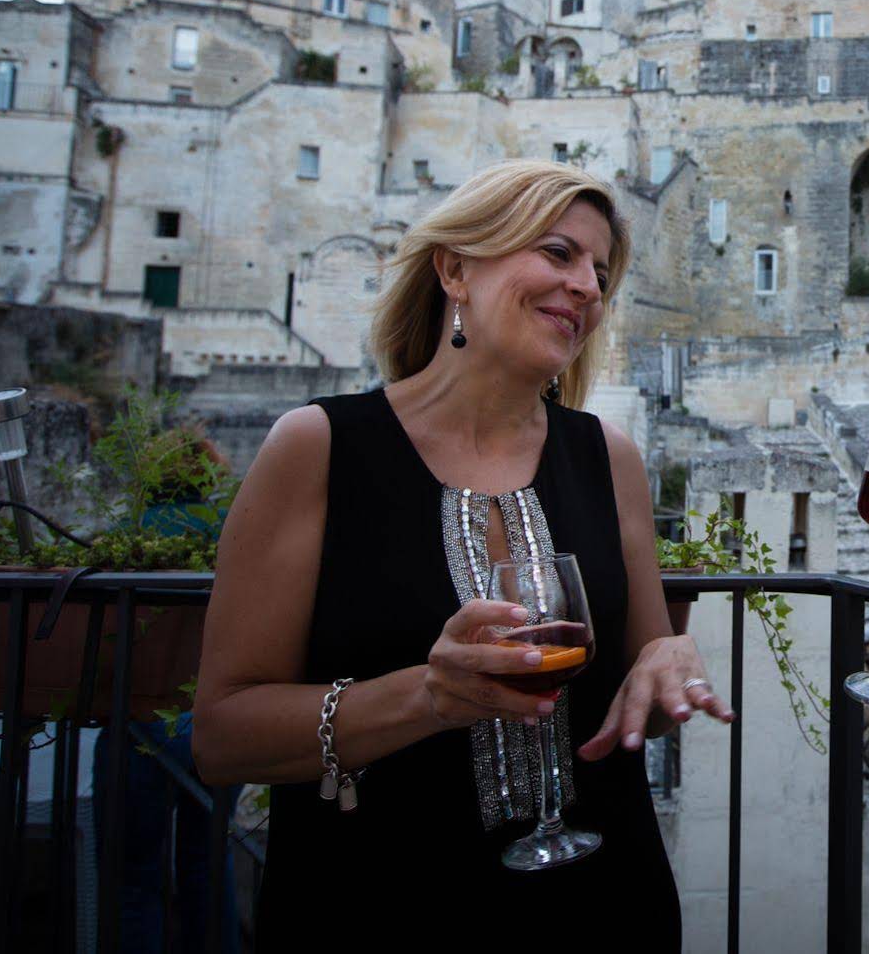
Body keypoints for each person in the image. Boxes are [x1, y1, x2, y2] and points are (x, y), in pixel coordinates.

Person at [193, 160, 729, 950]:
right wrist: (428, 697)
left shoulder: (607, 457)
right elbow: (222, 736)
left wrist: (666, 659)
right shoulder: (320, 447)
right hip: (379, 906)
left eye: (599, 272)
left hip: (603, 899)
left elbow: (637, 703)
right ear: (454, 270)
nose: (586, 287)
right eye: (558, 253)